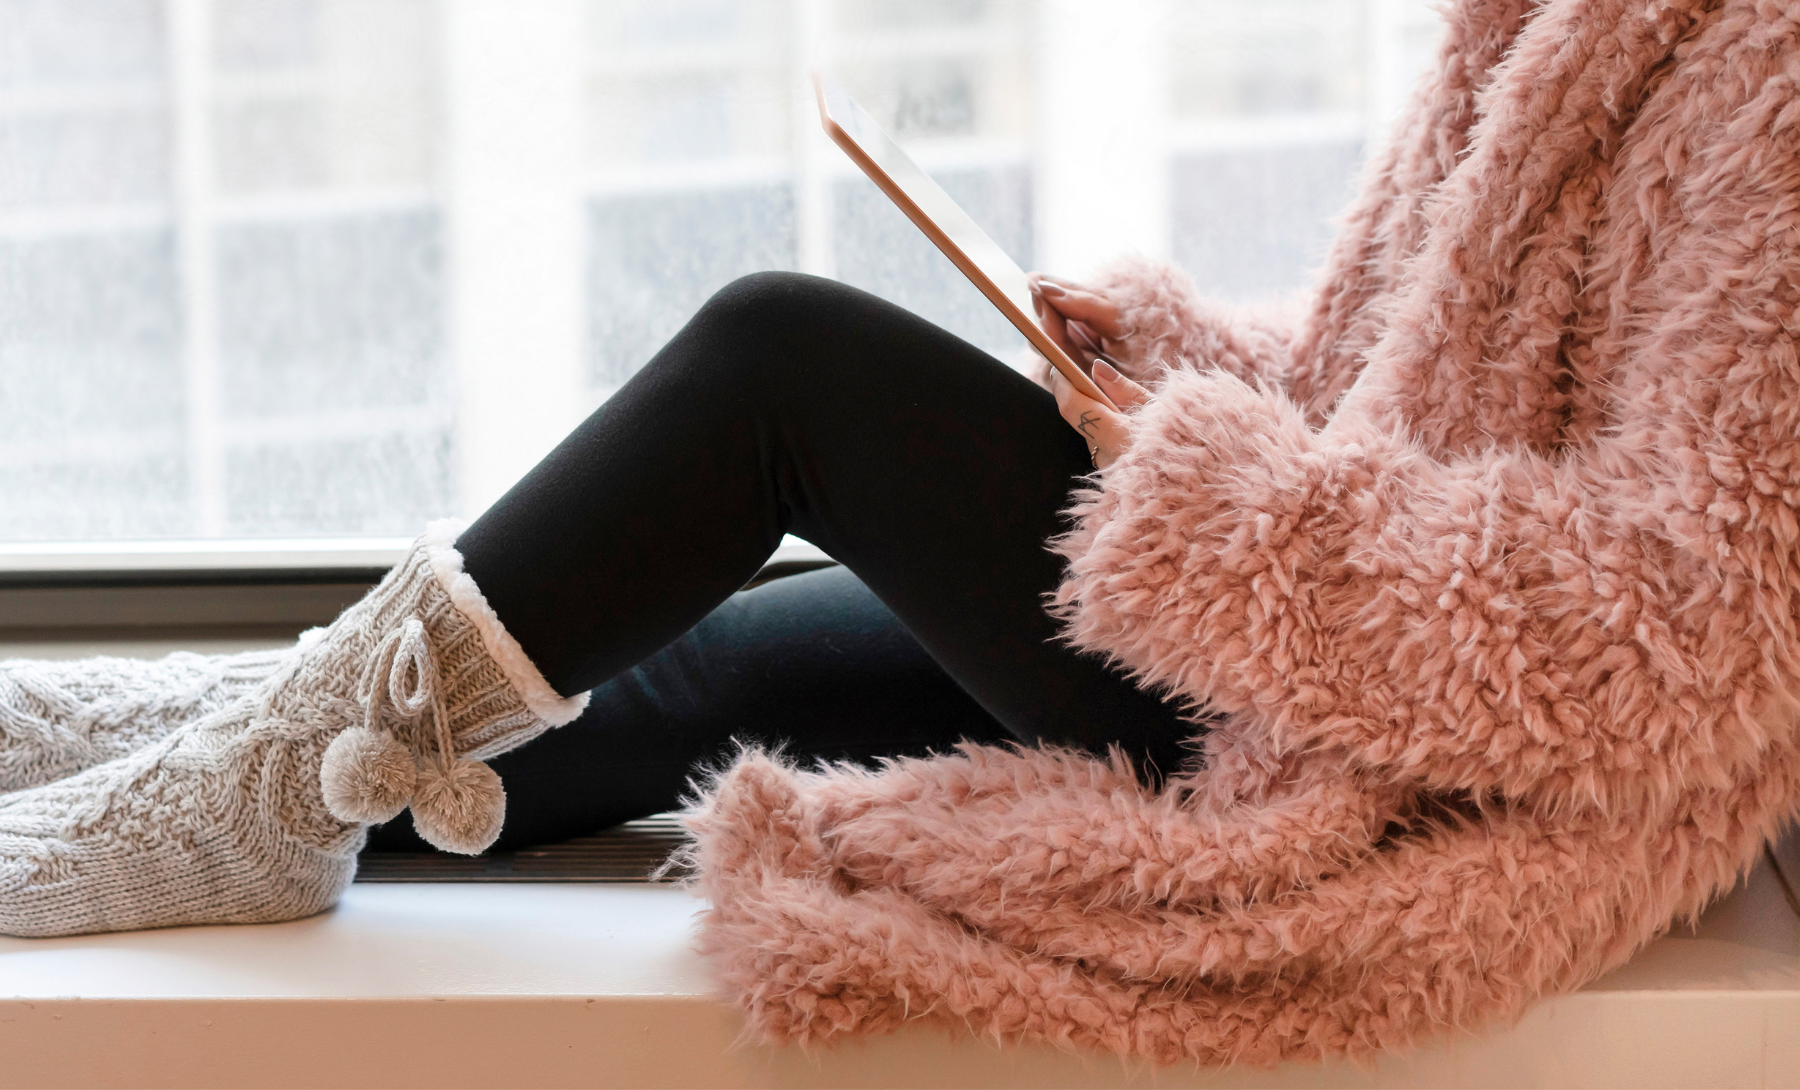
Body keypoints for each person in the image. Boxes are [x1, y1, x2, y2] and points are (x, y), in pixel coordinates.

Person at [0, 265, 1185, 935]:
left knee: (784, 356)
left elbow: (1383, 549)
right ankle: (236, 739)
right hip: (1280, 561)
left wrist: (1212, 452)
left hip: (1317, 683)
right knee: (701, 673)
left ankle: (254, 802)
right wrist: (1189, 356)